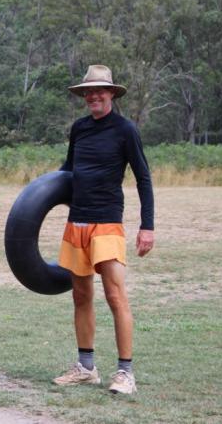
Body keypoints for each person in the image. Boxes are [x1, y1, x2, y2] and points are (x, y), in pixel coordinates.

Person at [53, 65, 154, 395]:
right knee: (81, 296)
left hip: (107, 222)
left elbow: (143, 178)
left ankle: (125, 373)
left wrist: (147, 226)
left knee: (115, 295)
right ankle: (86, 367)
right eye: (88, 91)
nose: (93, 95)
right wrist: (39, 194)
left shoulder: (126, 130)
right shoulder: (79, 129)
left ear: (111, 93)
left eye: (99, 90)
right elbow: (68, 171)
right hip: (76, 223)